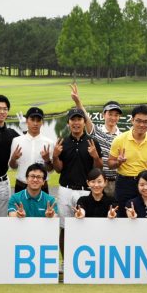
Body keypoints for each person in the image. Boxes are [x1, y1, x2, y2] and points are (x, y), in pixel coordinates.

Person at [52, 108, 102, 263]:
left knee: (85, 226)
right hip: (66, 190)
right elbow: (58, 169)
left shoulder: (92, 142)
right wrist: (55, 156)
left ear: (84, 122)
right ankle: (65, 261)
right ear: (68, 123)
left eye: (79, 119)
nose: (76, 123)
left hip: (85, 191)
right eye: (73, 120)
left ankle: (85, 261)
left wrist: (95, 156)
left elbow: (98, 168)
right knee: (64, 227)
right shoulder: (62, 142)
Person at [109, 105, 147, 216]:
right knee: (122, 215)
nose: (142, 125)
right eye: (138, 121)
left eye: (145, 122)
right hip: (124, 183)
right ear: (132, 120)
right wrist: (118, 162)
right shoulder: (119, 139)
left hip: (145, 183)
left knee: (146, 215)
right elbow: (110, 163)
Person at [70, 83, 122, 197]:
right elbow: (85, 118)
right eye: (110, 114)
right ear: (103, 115)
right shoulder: (96, 132)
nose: (113, 117)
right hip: (99, 182)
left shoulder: (122, 137)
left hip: (117, 182)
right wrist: (78, 102)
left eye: (116, 115)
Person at [9, 107, 53, 194]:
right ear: (26, 121)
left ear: (42, 122)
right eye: (32, 120)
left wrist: (47, 160)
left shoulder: (49, 143)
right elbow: (13, 166)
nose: (35, 123)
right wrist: (13, 159)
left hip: (42, 187)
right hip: (21, 186)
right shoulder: (17, 141)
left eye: (38, 120)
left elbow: (50, 170)